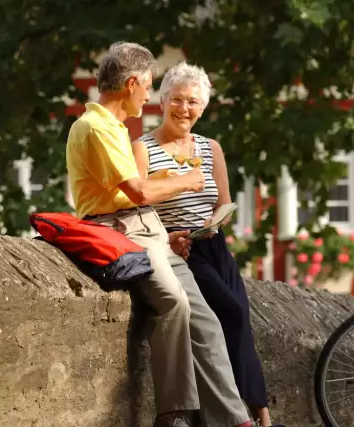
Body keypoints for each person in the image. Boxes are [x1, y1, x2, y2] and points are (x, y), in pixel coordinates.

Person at [65, 42, 253, 427]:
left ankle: (236, 421)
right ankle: (174, 413)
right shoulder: (95, 127)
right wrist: (188, 180)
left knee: (208, 321)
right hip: (117, 229)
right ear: (132, 82)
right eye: (148, 86)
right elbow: (140, 192)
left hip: (144, 227)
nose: (149, 96)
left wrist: (164, 234)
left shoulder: (115, 126)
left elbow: (135, 198)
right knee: (174, 304)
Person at [131, 62, 283, 427]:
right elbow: (138, 207)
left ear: (204, 107)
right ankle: (244, 417)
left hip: (215, 246)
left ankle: (260, 414)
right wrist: (171, 235)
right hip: (179, 250)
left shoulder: (210, 147)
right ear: (163, 101)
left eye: (194, 102)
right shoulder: (143, 148)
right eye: (178, 100)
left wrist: (214, 222)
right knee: (225, 316)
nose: (185, 109)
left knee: (240, 320)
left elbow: (224, 203)